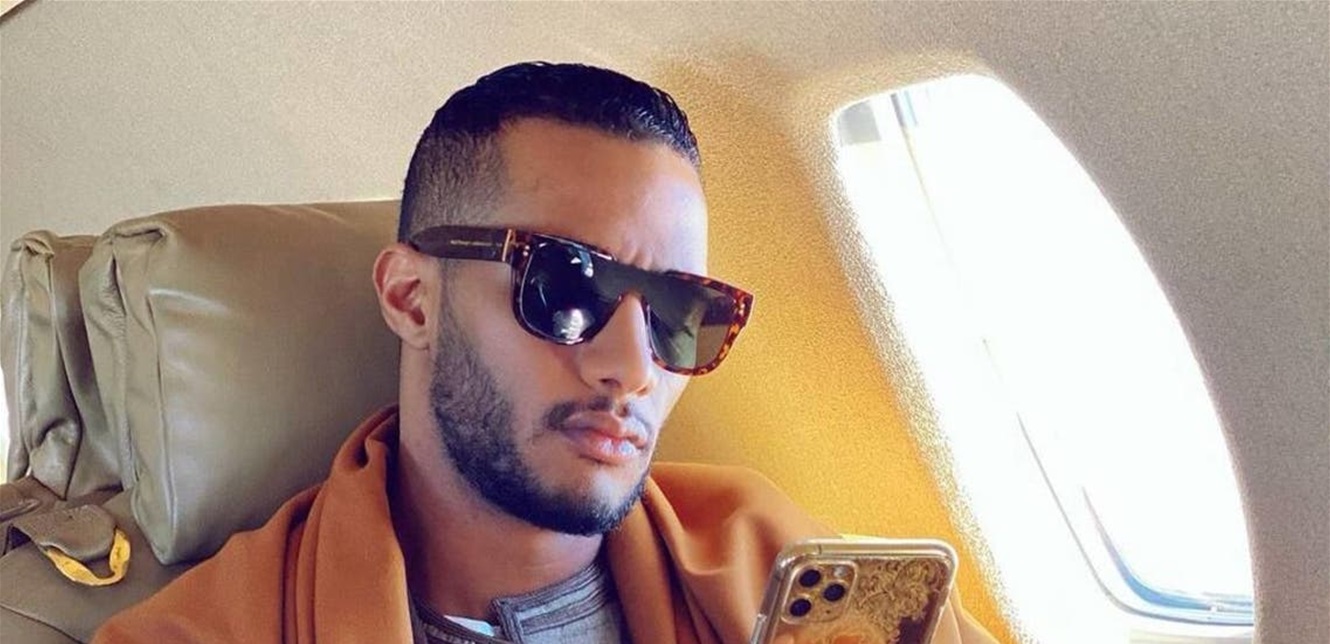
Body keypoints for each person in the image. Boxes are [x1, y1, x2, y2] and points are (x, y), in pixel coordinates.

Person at [94, 62, 996, 644]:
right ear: (411, 298)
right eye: (566, 287)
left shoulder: (774, 560)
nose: (632, 370)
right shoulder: (202, 633)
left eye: (681, 313)